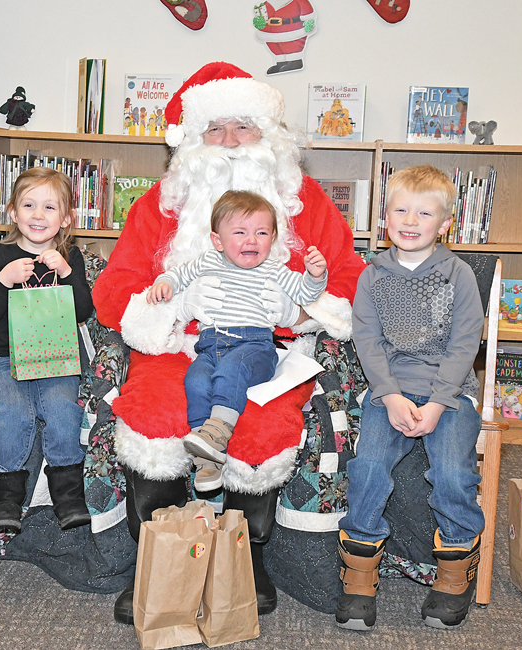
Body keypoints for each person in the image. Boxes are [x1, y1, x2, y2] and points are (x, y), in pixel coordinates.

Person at [91, 62, 365, 623]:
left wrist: (303, 313)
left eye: (244, 127)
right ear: (192, 141)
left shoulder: (305, 200)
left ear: (270, 136)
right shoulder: (160, 204)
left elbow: (347, 276)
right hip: (176, 343)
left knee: (263, 426)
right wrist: (155, 313)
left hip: (269, 346)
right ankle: (159, 554)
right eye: (215, 130)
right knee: (152, 412)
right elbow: (115, 285)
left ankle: (244, 558)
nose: (231, 143)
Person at [335, 165, 485, 631]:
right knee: (368, 467)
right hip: (390, 391)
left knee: (454, 472)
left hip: (451, 392)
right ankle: (358, 576)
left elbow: (465, 345)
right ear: (386, 218)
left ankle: (454, 575)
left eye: (424, 213)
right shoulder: (372, 275)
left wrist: (439, 403)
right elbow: (368, 341)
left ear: (444, 225)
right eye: (401, 209)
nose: (411, 220)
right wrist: (392, 397)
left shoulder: (457, 275)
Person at [147, 190, 328, 491]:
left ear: (272, 239)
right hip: (210, 345)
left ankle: (217, 431)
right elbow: (178, 274)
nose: (251, 240)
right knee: (196, 380)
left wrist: (315, 275)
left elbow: (305, 294)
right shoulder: (208, 261)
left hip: (254, 345)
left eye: (261, 232)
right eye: (240, 232)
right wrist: (164, 283)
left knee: (232, 371)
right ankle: (208, 462)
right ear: (218, 240)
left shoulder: (274, 270)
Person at [0, 167, 93, 535]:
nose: (38, 215)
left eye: (49, 207)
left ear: (66, 218)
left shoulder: (70, 256)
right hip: (6, 357)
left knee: (61, 409)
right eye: (29, 205)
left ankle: (68, 495)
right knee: (14, 412)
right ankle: (5, 499)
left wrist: (69, 273)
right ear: (13, 212)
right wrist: (2, 279)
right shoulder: (0, 255)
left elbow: (82, 311)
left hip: (56, 357)